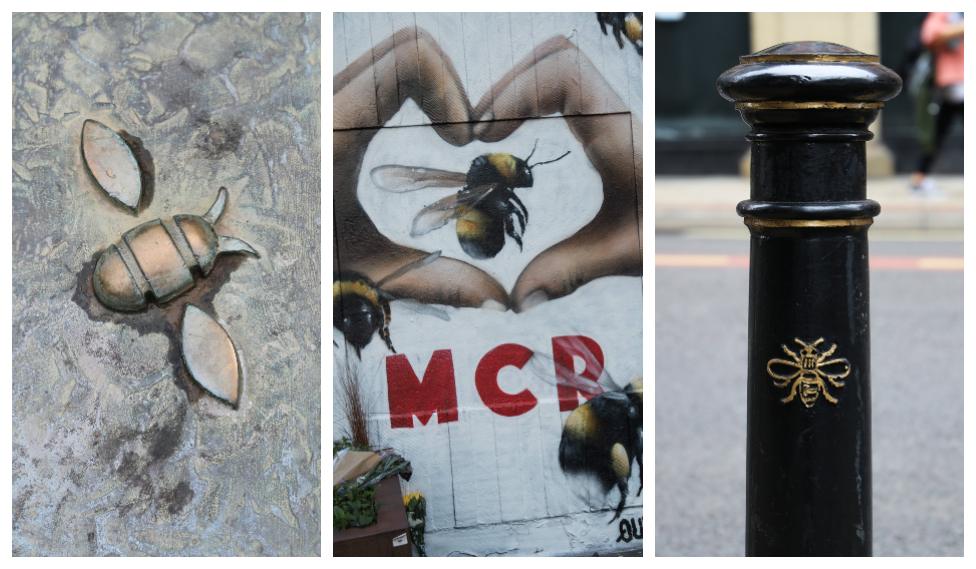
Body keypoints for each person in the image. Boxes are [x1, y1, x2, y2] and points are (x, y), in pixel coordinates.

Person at [910, 12, 963, 196]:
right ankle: (919, 178)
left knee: (938, 132)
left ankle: (919, 177)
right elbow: (930, 35)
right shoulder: (945, 12)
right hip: (951, 84)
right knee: (934, 134)